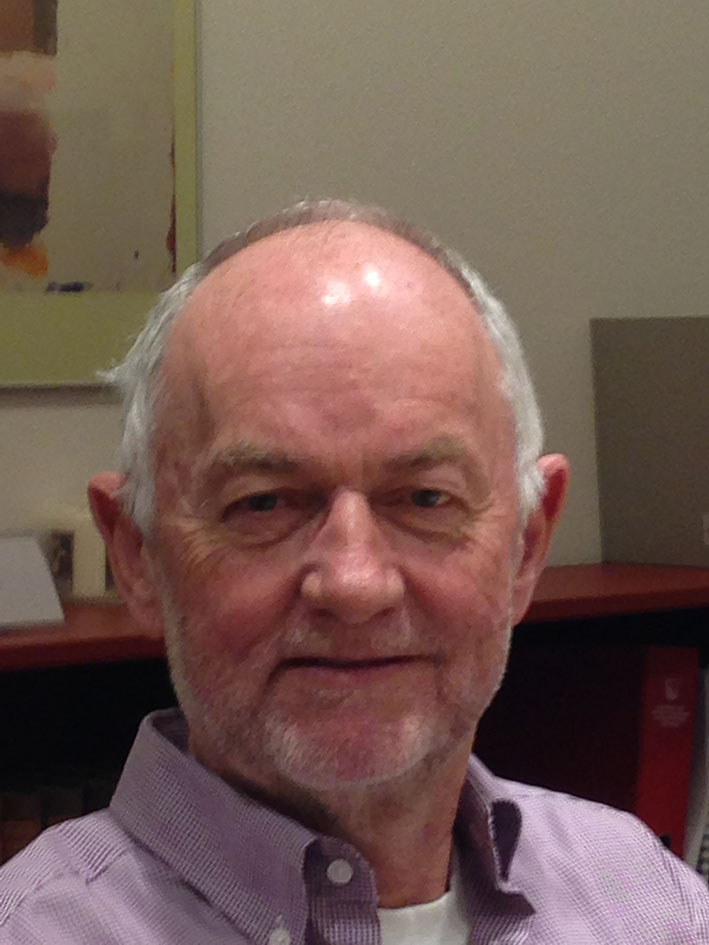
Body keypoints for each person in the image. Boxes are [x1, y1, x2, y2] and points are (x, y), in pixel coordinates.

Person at [1, 200, 706, 944]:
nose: (354, 584)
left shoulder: (650, 905)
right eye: (264, 502)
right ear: (137, 557)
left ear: (526, 547)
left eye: (425, 498)